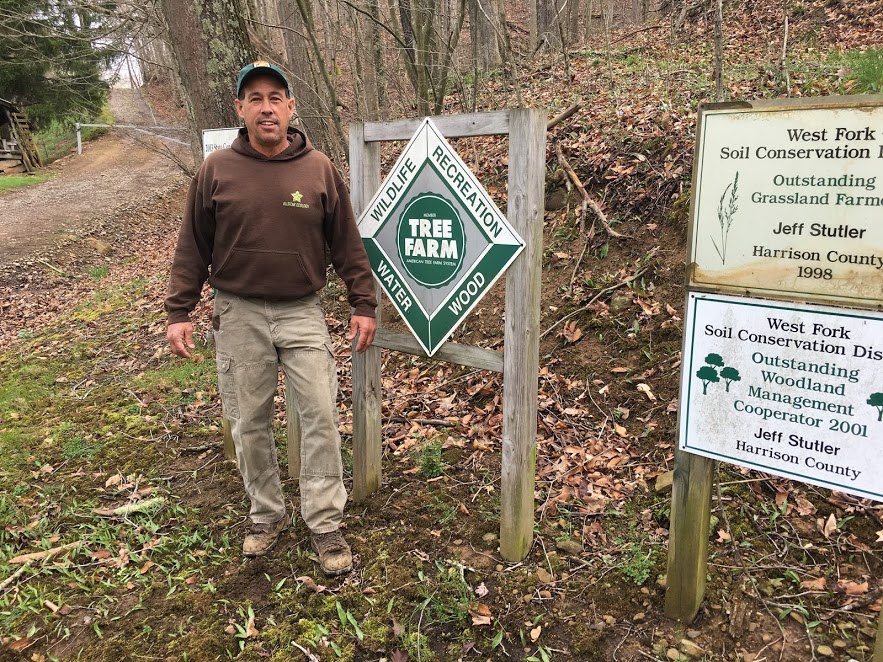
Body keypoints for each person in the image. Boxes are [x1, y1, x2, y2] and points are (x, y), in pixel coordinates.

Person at [165, 60, 377, 577]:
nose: (266, 107)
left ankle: (325, 521)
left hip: (302, 311)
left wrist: (363, 301)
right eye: (255, 98)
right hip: (237, 314)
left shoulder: (319, 168)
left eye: (275, 97)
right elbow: (192, 244)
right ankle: (265, 514)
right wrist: (179, 310)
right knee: (248, 421)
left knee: (320, 415)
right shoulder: (216, 169)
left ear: (290, 107)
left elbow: (347, 241)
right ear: (240, 108)